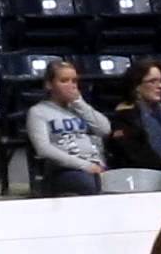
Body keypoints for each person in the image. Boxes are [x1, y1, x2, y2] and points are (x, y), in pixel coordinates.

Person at [26, 60, 112, 196]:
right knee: (89, 184)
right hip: (63, 170)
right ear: (49, 84)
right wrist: (84, 166)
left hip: (97, 165)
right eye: (64, 81)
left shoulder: (80, 109)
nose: (71, 86)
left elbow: (104, 130)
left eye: (74, 81)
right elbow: (43, 149)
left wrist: (79, 103)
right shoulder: (38, 111)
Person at [108, 59, 161, 171]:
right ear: (137, 86)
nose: (160, 86)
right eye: (153, 81)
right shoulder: (125, 115)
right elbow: (134, 152)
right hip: (145, 174)